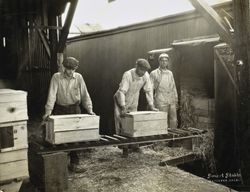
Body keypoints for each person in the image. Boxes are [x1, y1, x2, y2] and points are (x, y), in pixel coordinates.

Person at [43, 56, 95, 172]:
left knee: (75, 137)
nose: (70, 71)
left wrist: (90, 110)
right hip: (60, 109)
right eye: (68, 69)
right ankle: (60, 165)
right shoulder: (56, 77)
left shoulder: (79, 78)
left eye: (72, 69)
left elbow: (85, 95)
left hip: (75, 109)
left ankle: (74, 164)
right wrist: (48, 112)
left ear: (75, 68)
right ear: (63, 67)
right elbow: (51, 95)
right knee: (60, 136)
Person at [114, 58, 158, 135]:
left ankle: (132, 143)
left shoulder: (146, 75)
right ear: (136, 66)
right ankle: (122, 144)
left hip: (134, 97)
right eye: (141, 70)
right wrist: (123, 107)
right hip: (121, 98)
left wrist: (151, 105)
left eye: (145, 70)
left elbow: (148, 91)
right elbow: (122, 92)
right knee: (121, 120)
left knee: (133, 120)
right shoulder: (128, 74)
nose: (143, 72)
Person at [150, 53, 178, 128]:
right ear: (159, 61)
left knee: (173, 119)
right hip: (160, 100)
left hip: (171, 100)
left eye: (166, 61)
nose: (164, 62)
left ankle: (173, 136)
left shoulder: (170, 73)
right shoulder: (154, 73)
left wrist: (176, 99)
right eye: (162, 61)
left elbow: (173, 86)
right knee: (162, 119)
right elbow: (150, 89)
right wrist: (151, 102)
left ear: (168, 62)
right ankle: (162, 138)